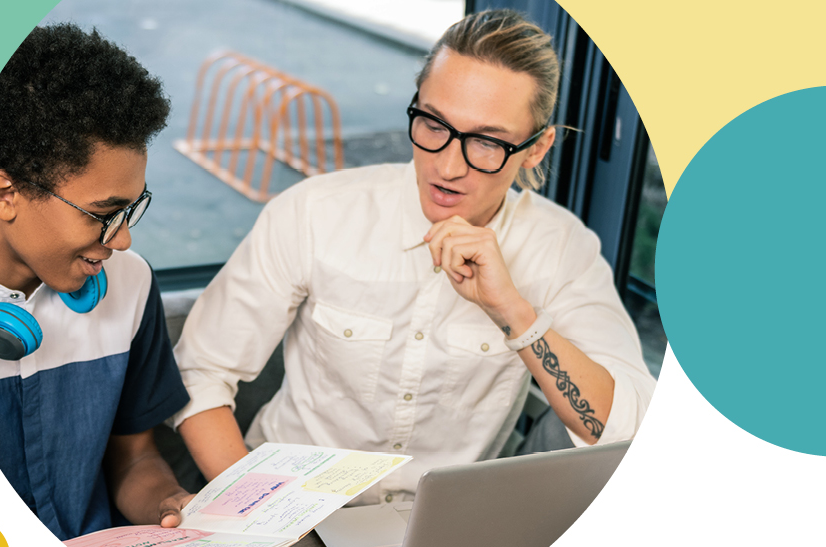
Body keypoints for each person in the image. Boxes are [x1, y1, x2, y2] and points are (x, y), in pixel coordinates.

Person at [171, 9, 656, 497]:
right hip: (285, 500)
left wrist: (511, 311)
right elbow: (202, 371)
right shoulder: (314, 212)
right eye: (433, 123)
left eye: (487, 142)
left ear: (536, 148)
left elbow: (627, 428)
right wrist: (254, 506)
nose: (447, 165)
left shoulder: (561, 248)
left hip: (438, 530)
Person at [0, 24, 193, 540]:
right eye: (103, 213)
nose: (121, 241)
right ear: (5, 193)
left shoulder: (131, 284)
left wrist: (170, 502)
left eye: (131, 210)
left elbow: (134, 459)